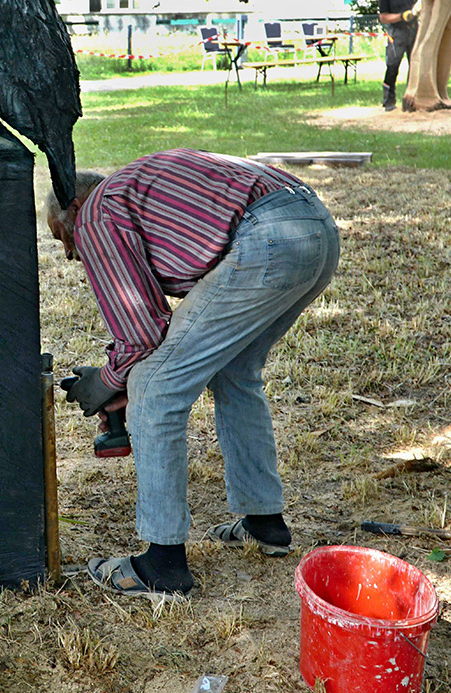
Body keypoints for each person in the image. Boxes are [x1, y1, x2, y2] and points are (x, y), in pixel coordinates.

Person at [48, 150, 340, 598]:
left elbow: (142, 335)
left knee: (155, 388)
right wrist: (116, 374)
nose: (70, 252)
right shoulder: (137, 190)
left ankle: (162, 566)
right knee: (235, 370)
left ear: (73, 208)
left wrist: (106, 384)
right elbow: (154, 326)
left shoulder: (95, 211)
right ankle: (265, 523)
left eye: (62, 238)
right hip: (315, 228)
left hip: (266, 239)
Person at [379, 0, 421, 111]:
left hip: (414, 29)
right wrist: (402, 16)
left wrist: (419, 5)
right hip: (397, 32)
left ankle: (413, 98)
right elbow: (383, 17)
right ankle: (389, 99)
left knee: (416, 63)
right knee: (393, 65)